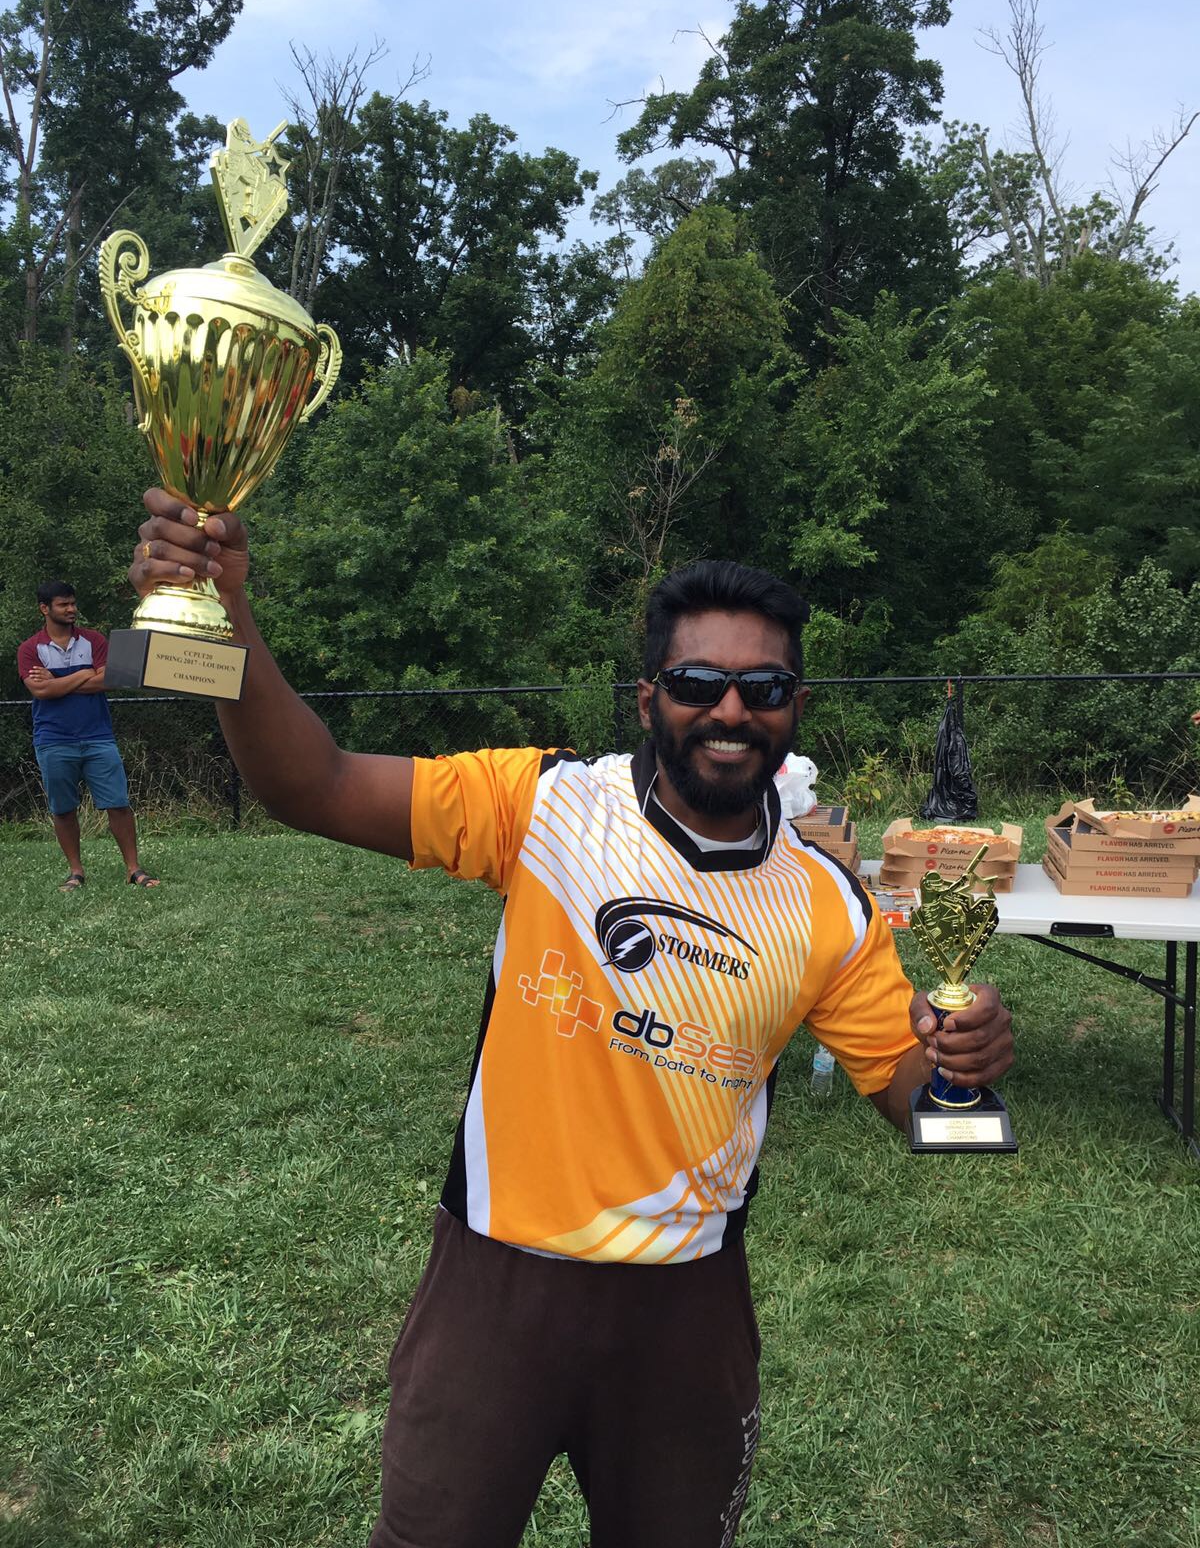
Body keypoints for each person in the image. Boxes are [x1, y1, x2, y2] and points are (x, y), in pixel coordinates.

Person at [130, 494, 1014, 1548]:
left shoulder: (829, 902)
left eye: (764, 688)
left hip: (689, 1310)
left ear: (796, 706)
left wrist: (961, 1063)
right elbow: (312, 785)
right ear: (649, 698)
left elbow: (912, 1098)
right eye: (697, 683)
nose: (730, 711)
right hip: (495, 1287)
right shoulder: (548, 805)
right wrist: (223, 615)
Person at [17, 580, 159, 891]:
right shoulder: (30, 649)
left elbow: (109, 680)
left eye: (73, 603)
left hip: (99, 737)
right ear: (44, 609)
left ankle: (134, 869)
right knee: (63, 809)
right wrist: (85, 673)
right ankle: (76, 872)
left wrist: (59, 680)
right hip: (53, 739)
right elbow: (41, 691)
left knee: (118, 803)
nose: (71, 609)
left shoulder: (93, 640)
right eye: (63, 604)